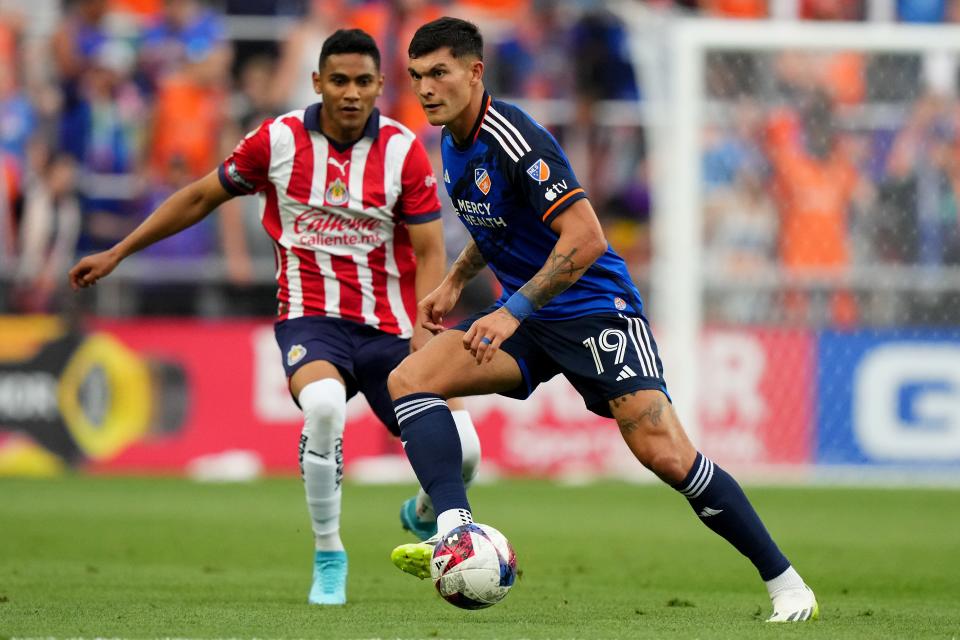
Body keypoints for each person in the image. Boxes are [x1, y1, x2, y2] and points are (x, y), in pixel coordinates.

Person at [386, 17, 818, 623]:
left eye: (439, 73)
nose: (426, 88)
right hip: (532, 317)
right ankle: (456, 529)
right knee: (411, 379)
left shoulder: (515, 138)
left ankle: (787, 584)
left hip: (592, 309)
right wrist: (456, 278)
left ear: (475, 72)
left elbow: (586, 237)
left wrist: (511, 310)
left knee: (665, 455)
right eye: (416, 77)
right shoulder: (452, 143)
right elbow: (497, 221)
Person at [68, 28, 481, 606]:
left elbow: (431, 248)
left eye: (364, 81)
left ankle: (421, 510)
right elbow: (198, 197)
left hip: (390, 326)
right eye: (339, 80)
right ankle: (329, 555)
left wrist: (424, 325)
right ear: (317, 82)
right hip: (311, 321)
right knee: (323, 407)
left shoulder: (402, 150)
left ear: (381, 85)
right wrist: (118, 251)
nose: (352, 93)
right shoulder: (276, 141)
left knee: (466, 452)